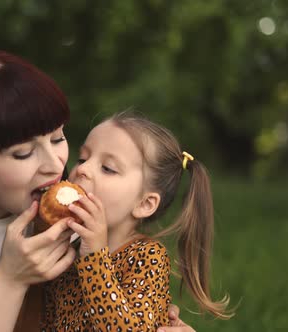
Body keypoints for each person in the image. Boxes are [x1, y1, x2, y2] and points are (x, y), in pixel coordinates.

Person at [0, 51, 194, 332]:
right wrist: (11, 279)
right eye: (23, 153)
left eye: (58, 139)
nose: (55, 165)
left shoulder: (76, 216)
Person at [41, 111, 233, 331]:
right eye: (83, 159)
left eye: (108, 168)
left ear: (145, 204)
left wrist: (94, 259)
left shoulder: (148, 257)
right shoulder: (68, 248)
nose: (82, 169)